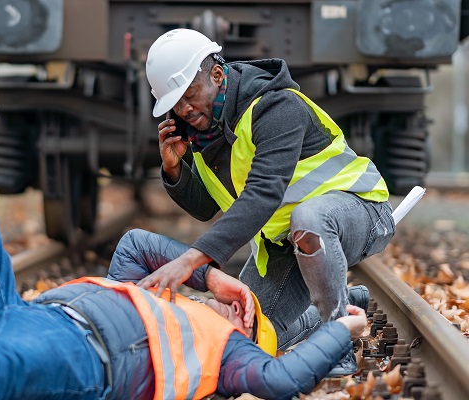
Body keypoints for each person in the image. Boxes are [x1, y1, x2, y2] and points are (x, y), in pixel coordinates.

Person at [0, 174, 368, 400]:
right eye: (241, 306)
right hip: (15, 318)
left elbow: (283, 380)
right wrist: (211, 274)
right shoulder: (158, 299)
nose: (240, 311)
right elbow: (134, 244)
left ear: (246, 340)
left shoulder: (226, 358)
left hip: (79, 359)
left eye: (249, 321)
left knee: (13, 361)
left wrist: (345, 326)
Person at [141, 28, 395, 375]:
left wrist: (189, 261)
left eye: (190, 95)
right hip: (286, 245)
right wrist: (174, 170)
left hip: (360, 212)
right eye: (175, 105)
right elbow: (205, 208)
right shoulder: (205, 133)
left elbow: (264, 192)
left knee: (309, 217)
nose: (184, 110)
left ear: (216, 74)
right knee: (244, 335)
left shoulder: (276, 105)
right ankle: (348, 303)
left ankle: (338, 341)